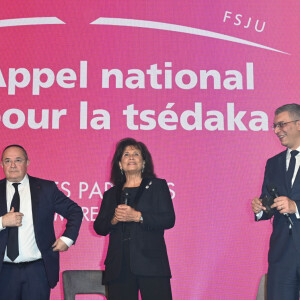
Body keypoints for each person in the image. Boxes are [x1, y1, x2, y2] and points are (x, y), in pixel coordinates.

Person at [94, 138, 175, 300]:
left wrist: (138, 216)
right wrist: (114, 220)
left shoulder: (157, 186)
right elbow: (99, 228)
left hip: (151, 265)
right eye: (126, 154)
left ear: (144, 162)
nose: (131, 157)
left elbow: (168, 219)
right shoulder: (111, 194)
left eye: (136, 154)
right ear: (119, 164)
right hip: (119, 267)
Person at [0, 144, 83, 300]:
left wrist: (67, 238)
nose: (12, 165)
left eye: (18, 160)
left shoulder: (46, 188)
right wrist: (2, 221)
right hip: (3, 272)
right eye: (7, 160)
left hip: (37, 271)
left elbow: (75, 211)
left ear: (27, 162)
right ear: (2, 164)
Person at [252, 103, 300, 299]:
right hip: (282, 254)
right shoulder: (273, 163)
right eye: (275, 126)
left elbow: (291, 204)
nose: (277, 131)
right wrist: (261, 208)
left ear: (299, 124)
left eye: (282, 124)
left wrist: (296, 206)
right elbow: (269, 200)